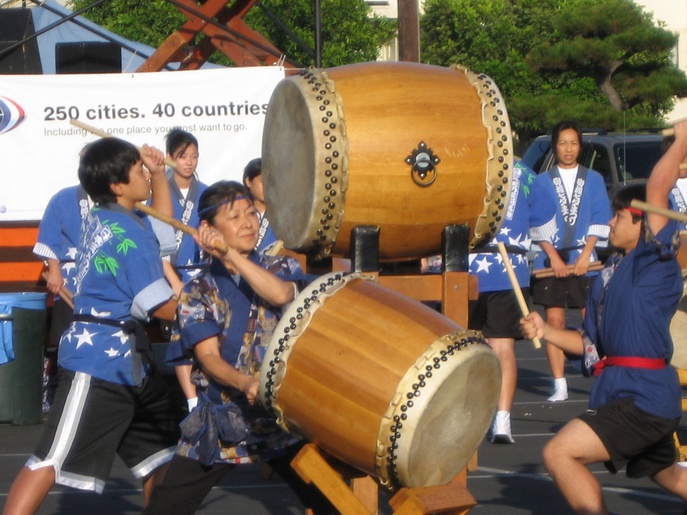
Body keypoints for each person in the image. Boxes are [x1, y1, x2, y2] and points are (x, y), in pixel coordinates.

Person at [3, 137, 182, 515]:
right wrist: (213, 310)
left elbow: (165, 232)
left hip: (131, 365)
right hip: (99, 362)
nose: (145, 175)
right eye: (139, 170)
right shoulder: (128, 233)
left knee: (161, 458)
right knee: (49, 459)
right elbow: (160, 305)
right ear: (117, 185)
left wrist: (159, 174)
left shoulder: (107, 217)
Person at [520, 120, 687, 513]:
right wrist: (545, 330)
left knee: (559, 452)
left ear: (642, 219)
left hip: (642, 396)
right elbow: (589, 345)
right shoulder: (607, 278)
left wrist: (681, 142)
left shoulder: (654, 262)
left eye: (617, 216)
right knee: (668, 475)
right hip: (624, 392)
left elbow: (658, 189)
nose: (610, 222)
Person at [143, 181, 335, 515]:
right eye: (234, 216)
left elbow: (280, 296)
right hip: (224, 418)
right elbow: (207, 358)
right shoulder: (197, 290)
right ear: (208, 229)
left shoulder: (281, 267)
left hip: (284, 418)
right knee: (166, 507)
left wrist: (231, 254)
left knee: (330, 501)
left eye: (251, 213)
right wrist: (245, 383)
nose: (248, 222)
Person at [468, 159, 557, 443]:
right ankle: (502, 421)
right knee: (502, 347)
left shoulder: (467, 162)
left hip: (465, 265)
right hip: (510, 268)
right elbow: (546, 226)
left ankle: (472, 418)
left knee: (463, 346)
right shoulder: (527, 175)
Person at [530, 121, 612, 402]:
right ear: (555, 146)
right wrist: (552, 257)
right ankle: (559, 382)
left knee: (594, 320)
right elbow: (536, 222)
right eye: (563, 143)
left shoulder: (594, 179)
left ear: (580, 146)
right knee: (554, 319)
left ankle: (601, 373)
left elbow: (601, 217)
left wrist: (587, 254)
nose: (568, 149)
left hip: (583, 257)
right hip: (549, 259)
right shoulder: (541, 181)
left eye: (573, 143)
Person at [32, 184, 92, 411]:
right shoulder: (63, 199)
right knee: (63, 335)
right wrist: (54, 270)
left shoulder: (114, 196)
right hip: (71, 274)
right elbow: (49, 236)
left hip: (103, 275)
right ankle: (56, 385)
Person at [163, 128, 208, 413]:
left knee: (207, 334)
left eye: (193, 156)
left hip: (203, 271)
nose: (189, 162)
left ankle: (208, 394)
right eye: (182, 156)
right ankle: (192, 401)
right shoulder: (158, 194)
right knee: (180, 334)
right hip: (171, 272)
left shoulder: (206, 193)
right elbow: (153, 242)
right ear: (169, 158)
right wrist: (172, 280)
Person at [242, 157, 279, 255]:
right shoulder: (240, 214)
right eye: (263, 182)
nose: (268, 186)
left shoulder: (281, 213)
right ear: (248, 182)